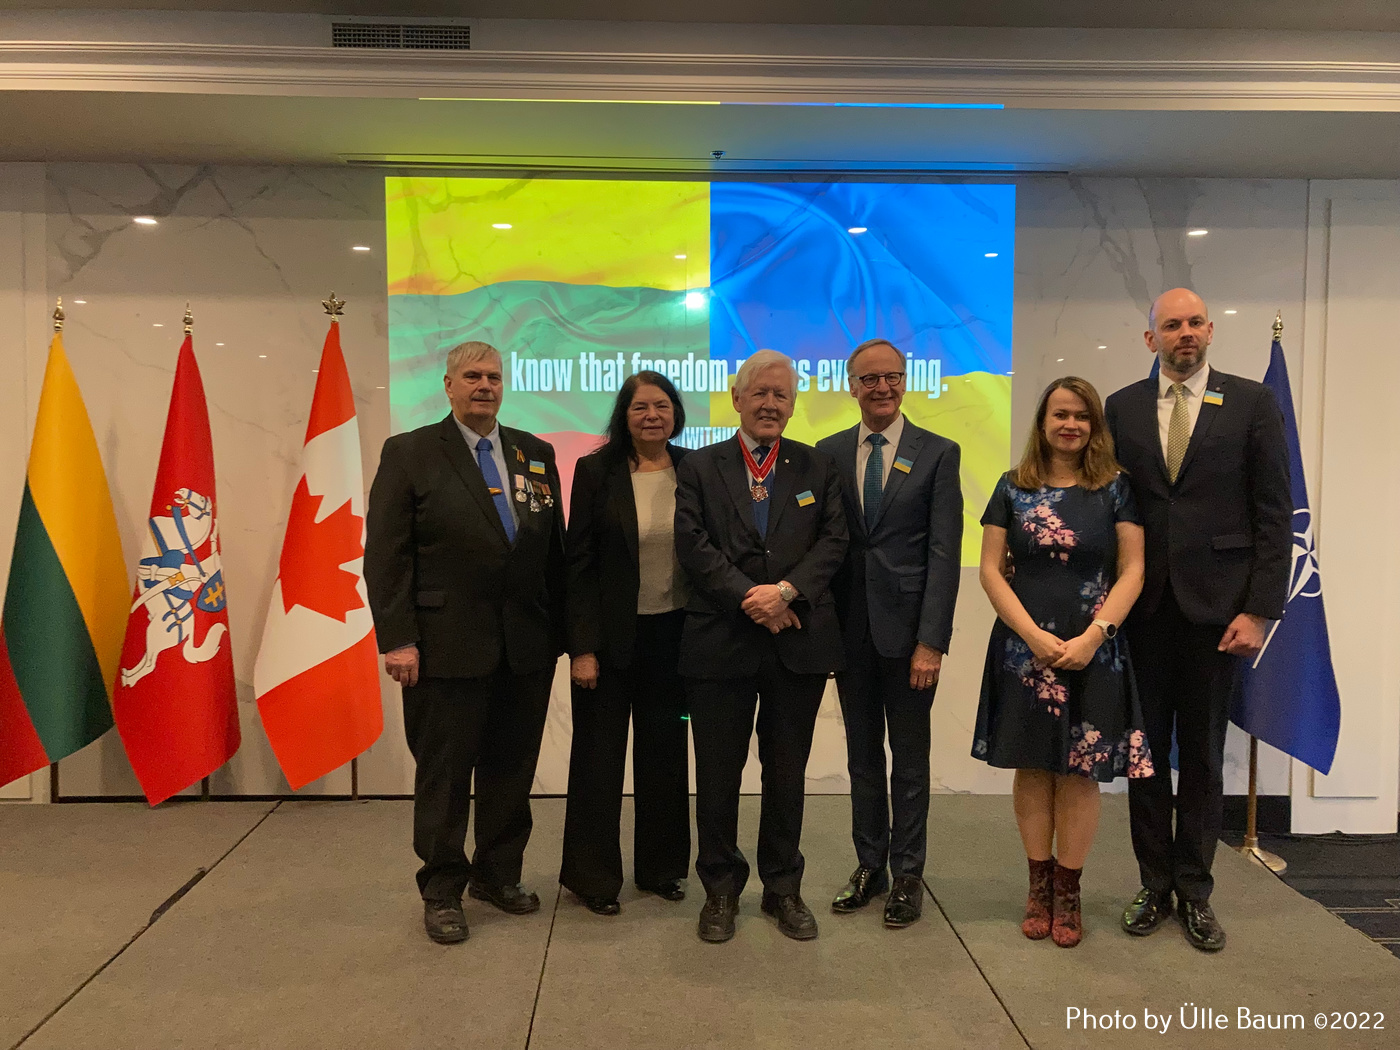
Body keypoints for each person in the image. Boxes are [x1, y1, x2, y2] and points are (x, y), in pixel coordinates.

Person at [1107, 288, 1290, 952]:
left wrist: (1261, 609)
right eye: (1170, 325)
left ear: (1209, 330)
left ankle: (1197, 891)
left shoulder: (1252, 403)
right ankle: (1153, 886)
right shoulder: (1121, 407)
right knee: (1146, 757)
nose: (1184, 333)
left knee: (1205, 758)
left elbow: (1275, 513)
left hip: (1221, 615)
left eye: (1193, 323)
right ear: (1150, 338)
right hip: (1143, 613)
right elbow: (1110, 509)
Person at [365, 340, 566, 946]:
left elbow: (551, 550)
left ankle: (497, 876)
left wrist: (563, 634)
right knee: (446, 777)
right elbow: (386, 555)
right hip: (443, 646)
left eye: (494, 377)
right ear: (448, 385)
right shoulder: (410, 453)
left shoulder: (535, 452)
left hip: (524, 649)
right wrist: (398, 639)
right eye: (472, 376)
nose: (485, 386)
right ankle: (442, 890)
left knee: (511, 771)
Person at [674, 349, 848, 944]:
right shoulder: (699, 466)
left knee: (787, 773)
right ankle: (720, 889)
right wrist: (752, 598)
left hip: (796, 643)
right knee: (717, 773)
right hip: (719, 642)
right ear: (737, 398)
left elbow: (834, 541)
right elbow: (692, 545)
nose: (771, 403)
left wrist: (787, 593)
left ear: (793, 405)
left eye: (783, 395)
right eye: (761, 393)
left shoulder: (817, 466)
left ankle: (783, 888)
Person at [974, 376, 1153, 948]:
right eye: (1059, 415)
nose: (1070, 425)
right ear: (1042, 422)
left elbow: (1133, 570)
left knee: (1079, 771)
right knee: (1033, 766)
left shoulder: (1116, 489)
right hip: (1023, 653)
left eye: (1081, 416)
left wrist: (1095, 636)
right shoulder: (1010, 487)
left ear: (1093, 425)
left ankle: (1069, 892)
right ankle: (1038, 886)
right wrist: (1030, 636)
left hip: (1095, 653)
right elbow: (989, 570)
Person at [817, 338, 963, 929]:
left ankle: (908, 874)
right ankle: (868, 865)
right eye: (870, 379)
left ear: (906, 382)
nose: (882, 388)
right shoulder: (826, 453)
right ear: (851, 386)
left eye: (892, 378)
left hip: (909, 640)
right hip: (849, 633)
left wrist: (932, 641)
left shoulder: (938, 453)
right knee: (860, 759)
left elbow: (944, 553)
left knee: (909, 759)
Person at [560, 371, 692, 915]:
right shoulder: (596, 471)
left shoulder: (696, 469)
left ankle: (661, 871)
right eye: (640, 407)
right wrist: (582, 648)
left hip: (675, 637)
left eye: (661, 406)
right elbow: (579, 565)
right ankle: (593, 879)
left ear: (675, 413)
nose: (652, 416)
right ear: (624, 414)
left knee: (665, 757)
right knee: (598, 759)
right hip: (610, 641)